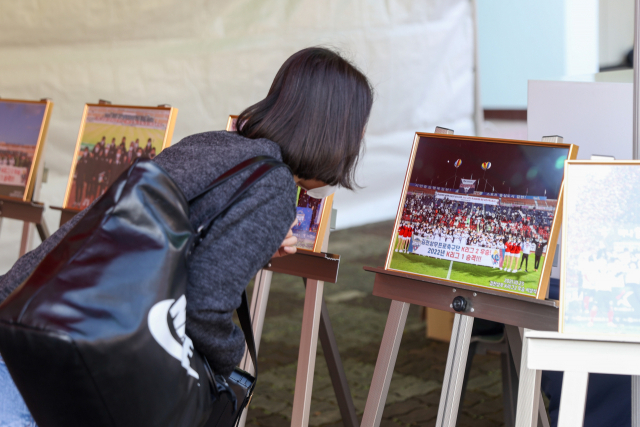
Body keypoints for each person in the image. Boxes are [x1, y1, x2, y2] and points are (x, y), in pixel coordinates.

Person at [0, 47, 373, 422]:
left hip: (25, 308)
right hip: (63, 354)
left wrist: (256, 240)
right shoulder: (273, 186)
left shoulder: (210, 143)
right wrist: (230, 361)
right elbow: (203, 306)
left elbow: (168, 230)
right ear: (335, 132)